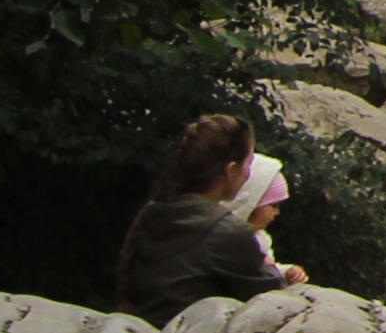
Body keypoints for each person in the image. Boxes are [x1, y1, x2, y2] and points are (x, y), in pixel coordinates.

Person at [114, 115, 309, 321]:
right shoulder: (225, 230)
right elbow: (268, 295)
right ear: (231, 170)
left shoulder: (155, 209)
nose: (249, 174)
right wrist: (270, 267)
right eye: (248, 164)